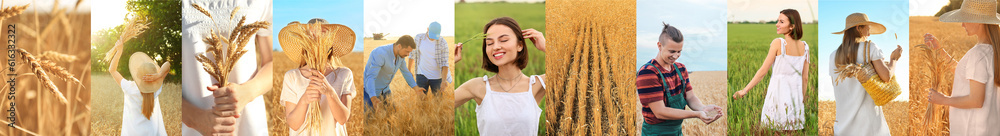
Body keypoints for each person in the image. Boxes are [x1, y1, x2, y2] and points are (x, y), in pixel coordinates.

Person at [180, 0, 274, 135]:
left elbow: (271, 62)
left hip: (247, 125)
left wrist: (248, 92)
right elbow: (162, 77)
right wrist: (195, 119)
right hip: (193, 129)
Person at [452, 17, 546, 135]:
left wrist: (547, 47)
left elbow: (573, 74)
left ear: (520, 45)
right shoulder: (477, 86)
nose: (495, 47)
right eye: (489, 43)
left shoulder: (537, 85)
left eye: (504, 40)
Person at [924, 0, 1000, 135]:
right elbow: (966, 73)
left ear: (978, 21)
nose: (962, 24)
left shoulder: (978, 54)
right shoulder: (992, 50)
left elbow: (976, 101)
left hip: (973, 129)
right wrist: (939, 50)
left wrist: (943, 100)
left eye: (965, 19)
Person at [635, 23, 722, 136]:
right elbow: (660, 112)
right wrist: (697, 114)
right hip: (656, 133)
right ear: (659, 46)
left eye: (679, 51)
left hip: (677, 131)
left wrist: (703, 108)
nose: (675, 56)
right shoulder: (648, 72)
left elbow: (690, 97)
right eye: (671, 51)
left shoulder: (681, 68)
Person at [732, 9, 808, 130]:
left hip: (777, 95)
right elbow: (805, 78)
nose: (777, 24)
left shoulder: (779, 43)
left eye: (781, 22)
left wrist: (744, 90)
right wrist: (801, 100)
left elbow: (763, 71)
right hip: (795, 99)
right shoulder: (805, 47)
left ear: (792, 26)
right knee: (792, 131)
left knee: (773, 129)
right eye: (778, 21)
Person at [278, 19, 356, 136]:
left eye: (323, 33)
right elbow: (293, 124)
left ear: (330, 41)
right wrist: (304, 100)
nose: (317, 37)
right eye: (312, 34)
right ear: (304, 40)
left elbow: (342, 119)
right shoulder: (292, 76)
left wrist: (330, 93)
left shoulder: (344, 74)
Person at [828, 13, 899, 135]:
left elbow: (836, 86)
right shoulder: (870, 47)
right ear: (858, 28)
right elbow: (887, 77)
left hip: (842, 127)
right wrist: (894, 60)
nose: (869, 34)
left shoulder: (833, 55)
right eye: (867, 29)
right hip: (869, 126)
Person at [109, 41, 171, 136]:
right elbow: (167, 65)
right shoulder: (156, 89)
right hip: (151, 132)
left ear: (137, 74)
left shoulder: (129, 87)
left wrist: (119, 51)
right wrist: (159, 75)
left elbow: (112, 70)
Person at [364, 35, 426, 108]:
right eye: (407, 51)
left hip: (385, 90)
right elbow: (371, 77)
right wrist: (373, 98)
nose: (408, 55)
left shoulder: (401, 56)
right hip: (371, 92)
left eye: (410, 52)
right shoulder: (380, 53)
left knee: (392, 114)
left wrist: (416, 88)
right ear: (399, 46)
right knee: (370, 117)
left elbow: (406, 72)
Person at [408, 22, 450, 94]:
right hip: (421, 75)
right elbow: (412, 55)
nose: (433, 38)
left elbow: (445, 63)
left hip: (437, 78)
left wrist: (443, 81)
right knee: (421, 101)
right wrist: (409, 70)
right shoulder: (418, 38)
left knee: (438, 101)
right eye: (432, 35)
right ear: (427, 29)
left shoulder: (443, 42)